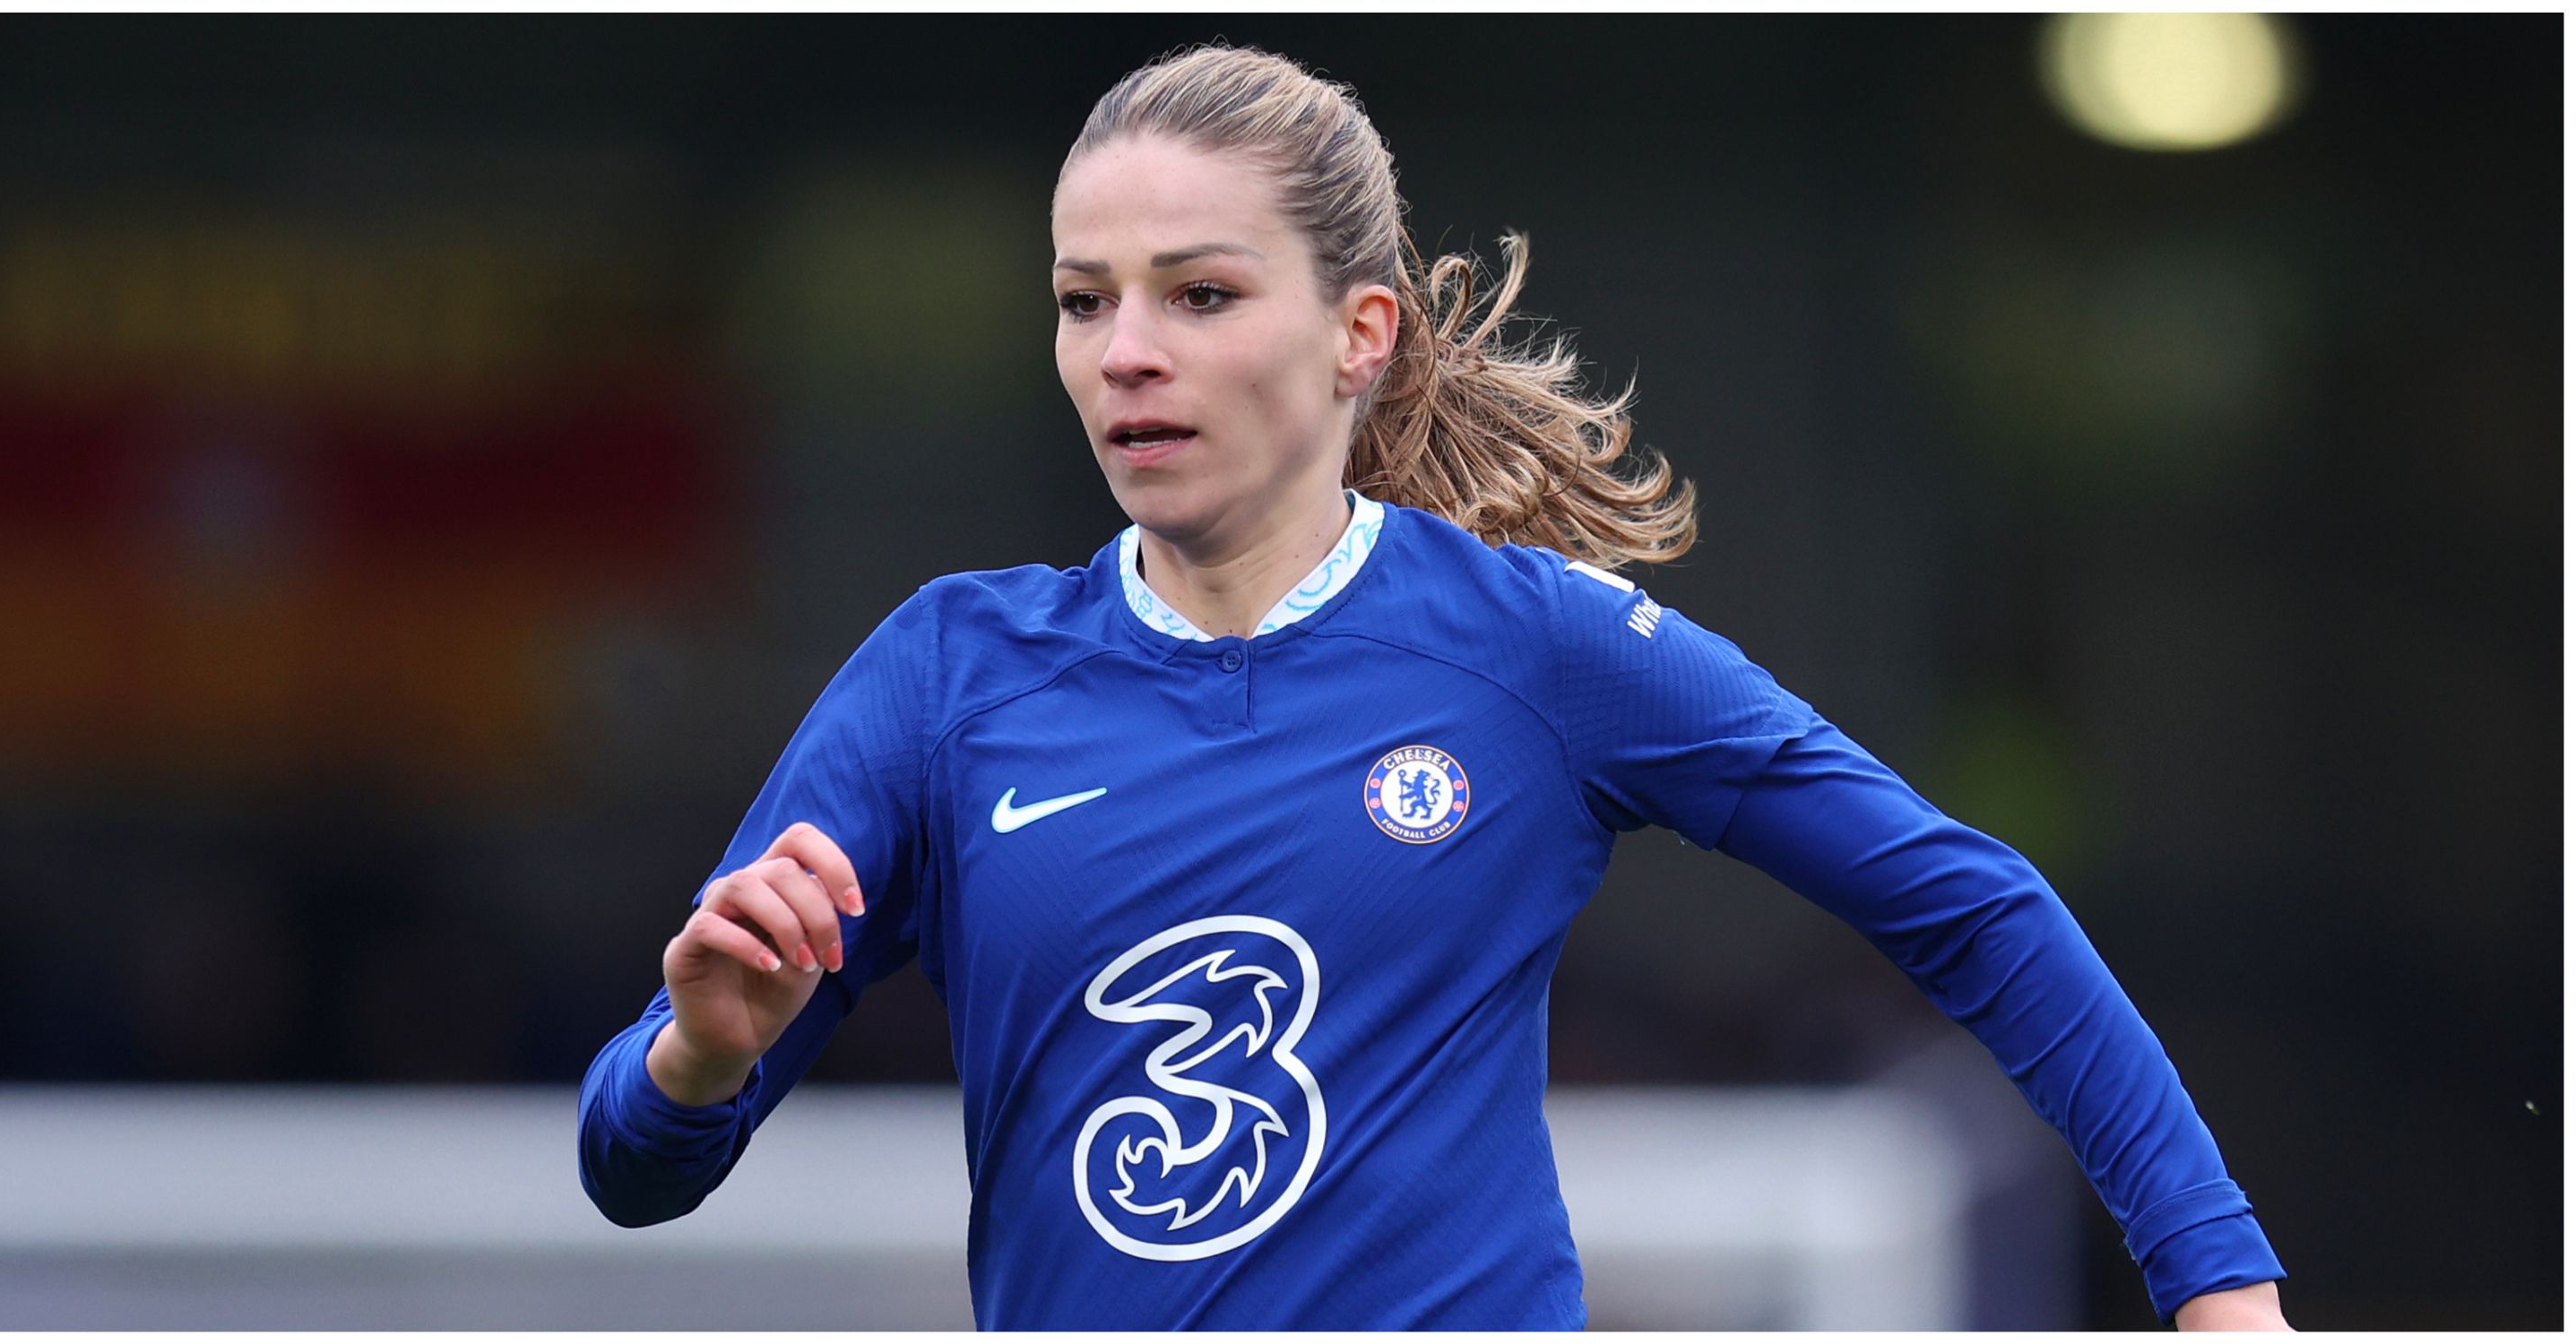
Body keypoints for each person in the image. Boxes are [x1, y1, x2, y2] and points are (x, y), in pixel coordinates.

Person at [577, 43, 2289, 1331]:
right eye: (1084, 300)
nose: (1127, 353)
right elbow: (632, 1171)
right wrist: (703, 1059)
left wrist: (2218, 1284)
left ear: (1362, 334)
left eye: (1200, 294)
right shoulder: (950, 676)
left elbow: (1969, 906)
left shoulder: (1534, 651)